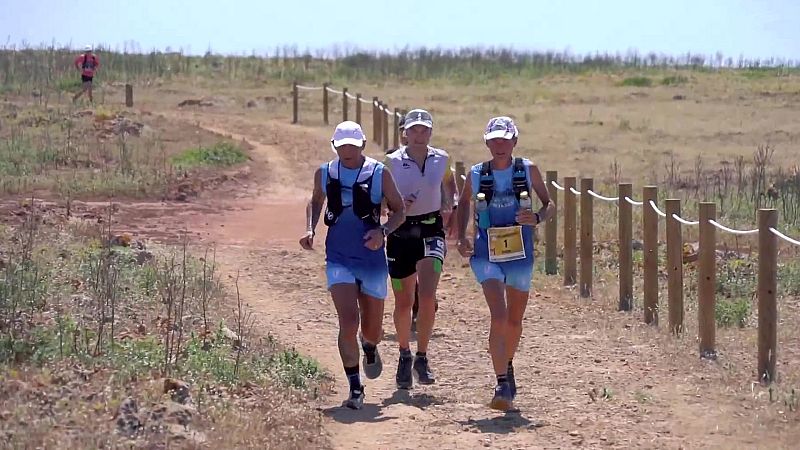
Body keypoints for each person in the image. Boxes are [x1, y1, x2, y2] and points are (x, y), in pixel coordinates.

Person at [300, 121, 406, 409]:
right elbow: (316, 201)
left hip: (371, 260)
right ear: (335, 146)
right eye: (342, 145)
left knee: (371, 330)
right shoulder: (325, 172)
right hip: (338, 257)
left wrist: (382, 232)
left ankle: (369, 347)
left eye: (352, 145)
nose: (347, 150)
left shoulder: (379, 173)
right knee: (348, 322)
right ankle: (355, 387)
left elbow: (400, 212)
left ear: (362, 145)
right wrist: (310, 229)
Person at [455, 116, 554, 411]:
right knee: (498, 315)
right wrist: (461, 236)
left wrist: (536, 218)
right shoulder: (475, 173)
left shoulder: (528, 169)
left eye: (504, 139)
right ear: (486, 142)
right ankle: (501, 382)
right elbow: (462, 204)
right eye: (494, 140)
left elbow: (548, 204)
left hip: (520, 255)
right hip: (487, 254)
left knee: (514, 320)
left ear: (514, 142)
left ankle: (506, 364)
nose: (499, 145)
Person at [384, 109, 456, 389]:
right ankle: (404, 354)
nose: (418, 135)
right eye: (413, 130)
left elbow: (449, 184)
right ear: (404, 132)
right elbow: (380, 199)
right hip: (401, 232)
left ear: (430, 133)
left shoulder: (442, 158)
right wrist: (397, 204)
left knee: (427, 296)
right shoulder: (390, 161)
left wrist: (449, 202)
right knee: (404, 302)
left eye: (424, 130)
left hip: (431, 230)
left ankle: (422, 356)